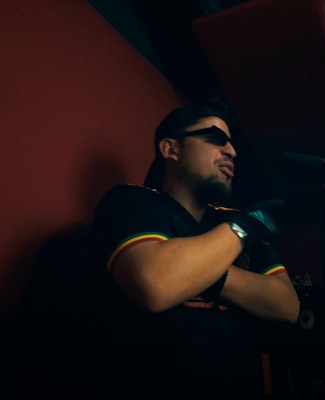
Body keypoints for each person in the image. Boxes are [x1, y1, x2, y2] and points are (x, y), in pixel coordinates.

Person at [90, 100, 300, 399]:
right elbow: (155, 284)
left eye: (231, 143)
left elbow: (287, 305)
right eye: (215, 138)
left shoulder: (231, 219)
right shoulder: (132, 202)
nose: (231, 151)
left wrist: (197, 270)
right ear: (170, 149)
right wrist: (244, 229)